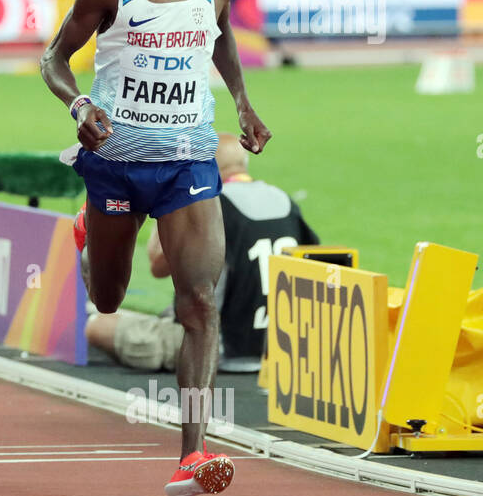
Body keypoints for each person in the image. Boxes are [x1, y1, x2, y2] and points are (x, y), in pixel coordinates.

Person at [40, 0, 272, 496]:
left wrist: (244, 104)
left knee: (198, 301)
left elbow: (220, 37)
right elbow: (54, 58)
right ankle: (90, 235)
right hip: (116, 160)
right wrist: (80, 106)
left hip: (190, 163)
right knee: (109, 299)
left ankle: (191, 454)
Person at [81, 134, 318, 373]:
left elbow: (157, 265)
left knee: (97, 327)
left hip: (216, 343)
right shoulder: (284, 201)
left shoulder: (210, 207)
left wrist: (160, 193)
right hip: (281, 345)